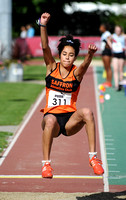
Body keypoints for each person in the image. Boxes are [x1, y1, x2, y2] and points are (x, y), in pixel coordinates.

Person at [39, 12, 104, 178]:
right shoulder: (51, 68)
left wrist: (89, 54)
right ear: (60, 54)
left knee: (88, 112)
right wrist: (43, 25)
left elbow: (85, 65)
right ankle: (46, 165)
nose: (67, 58)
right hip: (51, 119)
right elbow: (45, 47)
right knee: (52, 119)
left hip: (69, 121)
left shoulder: (76, 74)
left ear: (75, 57)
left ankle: (93, 158)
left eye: (71, 55)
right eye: (65, 54)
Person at [107, 25, 126, 91]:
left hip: (121, 54)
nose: (118, 31)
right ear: (115, 30)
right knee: (115, 69)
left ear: (121, 30)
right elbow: (108, 40)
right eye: (117, 30)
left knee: (120, 69)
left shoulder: (124, 36)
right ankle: (116, 85)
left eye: (119, 30)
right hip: (115, 54)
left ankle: (121, 83)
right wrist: (111, 46)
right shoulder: (113, 36)